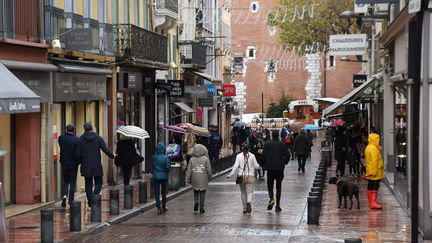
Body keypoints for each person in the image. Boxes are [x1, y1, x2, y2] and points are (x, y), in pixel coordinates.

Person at [76, 122, 115, 208]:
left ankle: (90, 202)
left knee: (88, 184)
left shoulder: (80, 139)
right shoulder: (98, 138)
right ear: (92, 128)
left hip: (86, 165)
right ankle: (95, 198)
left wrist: (79, 162)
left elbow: (77, 154)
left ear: (84, 129)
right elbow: (105, 149)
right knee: (98, 183)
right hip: (96, 164)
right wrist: (112, 155)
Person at [227, 142, 261, 214]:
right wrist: (259, 166)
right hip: (250, 175)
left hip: (241, 176)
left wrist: (230, 174)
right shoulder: (252, 156)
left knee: (243, 192)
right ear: (248, 148)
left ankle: (244, 208)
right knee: (250, 192)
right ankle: (248, 202)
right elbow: (256, 166)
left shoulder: (238, 156)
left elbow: (235, 166)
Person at [262, 130, 289, 212]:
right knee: (278, 186)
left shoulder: (267, 144)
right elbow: (288, 155)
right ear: (278, 135)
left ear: (271, 135)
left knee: (270, 186)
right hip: (279, 168)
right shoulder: (282, 144)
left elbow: (263, 156)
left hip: (270, 168)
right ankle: (278, 205)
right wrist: (284, 163)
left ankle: (271, 199)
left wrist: (264, 165)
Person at [185, 144, 212, 214]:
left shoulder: (191, 159)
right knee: (202, 192)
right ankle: (201, 207)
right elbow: (209, 169)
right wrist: (210, 177)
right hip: (203, 178)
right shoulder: (205, 159)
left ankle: (196, 201)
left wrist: (187, 179)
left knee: (195, 191)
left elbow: (189, 170)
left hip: (194, 178)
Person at [58, 124, 79, 207]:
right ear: (74, 130)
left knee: (65, 180)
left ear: (66, 129)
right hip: (73, 163)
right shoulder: (76, 139)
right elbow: (77, 152)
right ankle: (71, 200)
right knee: (73, 182)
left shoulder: (61, 138)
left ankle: (64, 195)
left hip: (64, 162)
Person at [365, 132, 384, 210]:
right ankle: (373, 203)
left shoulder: (369, 147)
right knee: (375, 186)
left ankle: (371, 202)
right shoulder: (373, 148)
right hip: (375, 171)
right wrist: (375, 172)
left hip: (370, 170)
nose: (379, 141)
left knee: (370, 185)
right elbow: (374, 161)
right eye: (378, 139)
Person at [152, 143, 171, 214]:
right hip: (164, 177)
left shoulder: (154, 157)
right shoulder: (166, 158)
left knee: (157, 193)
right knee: (163, 192)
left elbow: (152, 166)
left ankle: (158, 207)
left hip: (156, 176)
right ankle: (163, 206)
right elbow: (167, 167)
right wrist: (166, 172)